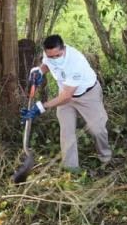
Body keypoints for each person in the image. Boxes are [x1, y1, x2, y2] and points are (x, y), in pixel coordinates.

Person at [22, 35, 112, 170]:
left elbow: (66, 97)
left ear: (64, 49)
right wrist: (40, 71)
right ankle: (71, 168)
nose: (54, 59)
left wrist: (41, 107)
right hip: (65, 93)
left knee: (97, 130)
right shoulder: (50, 54)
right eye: (50, 56)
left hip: (87, 95)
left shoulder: (76, 62)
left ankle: (105, 158)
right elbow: (47, 63)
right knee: (66, 132)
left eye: (57, 56)